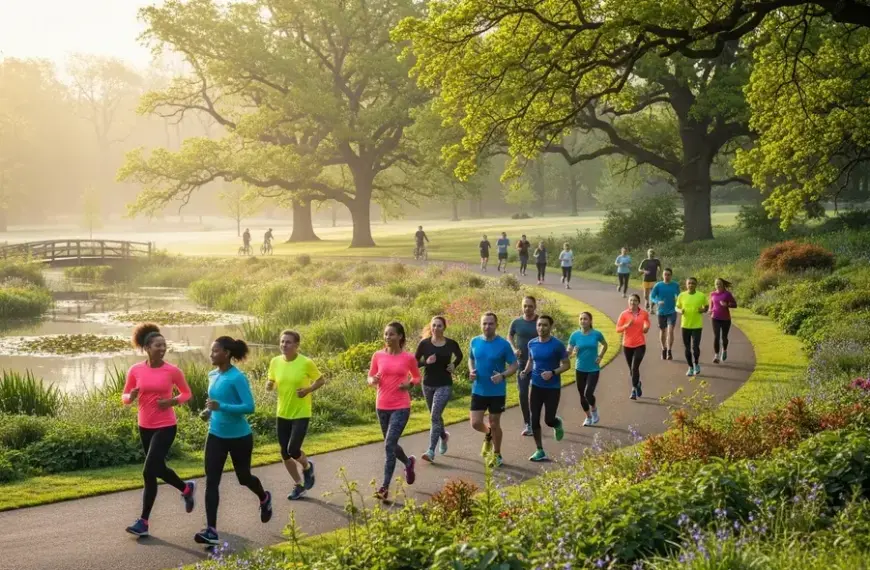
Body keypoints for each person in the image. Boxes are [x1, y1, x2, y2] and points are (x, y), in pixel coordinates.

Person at [195, 336, 272, 546]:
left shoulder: (237, 377)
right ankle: (211, 530)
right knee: (211, 481)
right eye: (211, 351)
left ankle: (264, 497)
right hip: (215, 435)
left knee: (244, 477)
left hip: (239, 437)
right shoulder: (212, 375)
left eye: (215, 351)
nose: (211, 354)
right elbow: (215, 404)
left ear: (227, 353)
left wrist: (222, 407)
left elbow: (249, 407)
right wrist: (208, 412)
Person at [123, 324, 195, 538]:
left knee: (148, 470)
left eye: (164, 345)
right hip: (144, 425)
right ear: (147, 347)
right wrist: (131, 397)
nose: (162, 348)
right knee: (156, 470)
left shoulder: (172, 371)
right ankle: (186, 488)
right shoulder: (135, 370)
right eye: (158, 345)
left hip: (166, 426)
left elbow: (187, 393)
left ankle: (143, 522)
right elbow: (125, 396)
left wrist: (172, 401)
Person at [266, 330, 325, 501]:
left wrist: (308, 390)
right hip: (282, 412)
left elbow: (320, 380)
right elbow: (272, 380)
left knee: (293, 450)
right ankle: (298, 485)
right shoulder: (275, 362)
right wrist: (270, 384)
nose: (284, 345)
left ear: (297, 345)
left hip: (301, 413)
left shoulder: (306, 362)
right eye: (282, 341)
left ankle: (307, 467)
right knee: (284, 453)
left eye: (288, 342)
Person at [367, 321, 421, 501]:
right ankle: (408, 462)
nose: (387, 337)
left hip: (401, 406)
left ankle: (384, 487)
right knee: (391, 445)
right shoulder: (378, 355)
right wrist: (372, 380)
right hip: (381, 405)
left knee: (389, 445)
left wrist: (410, 384)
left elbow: (417, 377)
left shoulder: (408, 358)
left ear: (400, 336)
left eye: (391, 334)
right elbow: (370, 376)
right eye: (385, 334)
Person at [469, 312, 518, 468]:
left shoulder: (503, 344)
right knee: (476, 423)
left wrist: (502, 376)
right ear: (481, 325)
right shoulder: (475, 341)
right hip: (478, 389)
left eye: (490, 323)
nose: (487, 326)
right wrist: (471, 370)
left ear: (496, 325)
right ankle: (488, 434)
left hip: (497, 391)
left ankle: (497, 455)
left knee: (495, 423)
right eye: (484, 323)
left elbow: (514, 365)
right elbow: (471, 358)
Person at [414, 316, 463, 463]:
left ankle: (430, 451)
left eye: (439, 326)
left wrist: (454, 365)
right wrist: (425, 362)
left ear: (444, 327)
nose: (436, 328)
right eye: (434, 325)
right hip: (427, 384)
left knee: (434, 416)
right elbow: (414, 363)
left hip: (444, 384)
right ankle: (443, 436)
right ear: (431, 327)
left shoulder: (451, 344)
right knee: (435, 416)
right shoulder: (424, 344)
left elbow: (459, 356)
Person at [524, 315, 571, 462]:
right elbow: (531, 360)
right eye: (539, 325)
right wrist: (525, 371)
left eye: (544, 325)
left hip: (552, 387)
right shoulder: (532, 343)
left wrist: (552, 373)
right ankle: (540, 450)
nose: (541, 328)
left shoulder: (557, 345)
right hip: (535, 386)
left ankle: (557, 423)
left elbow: (566, 365)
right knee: (534, 419)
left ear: (550, 327)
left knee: (548, 420)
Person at [568, 312, 608, 427]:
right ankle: (588, 417)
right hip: (580, 368)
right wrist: (573, 353)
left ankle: (594, 409)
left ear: (590, 321)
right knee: (582, 395)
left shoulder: (596, 334)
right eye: (581, 319)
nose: (582, 321)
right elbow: (569, 352)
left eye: (585, 319)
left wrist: (600, 356)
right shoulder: (574, 335)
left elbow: (604, 345)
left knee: (588, 393)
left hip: (593, 369)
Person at [509, 296, 539, 436]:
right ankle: (528, 423)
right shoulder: (516, 322)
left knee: (535, 395)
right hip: (521, 363)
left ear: (535, 307)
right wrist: (514, 348)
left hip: (538, 364)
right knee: (522, 394)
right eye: (525, 306)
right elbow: (509, 336)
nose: (527, 308)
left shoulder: (540, 321)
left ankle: (535, 421)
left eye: (530, 306)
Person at [616, 294, 650, 400]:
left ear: (638, 302)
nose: (632, 302)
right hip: (627, 345)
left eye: (635, 300)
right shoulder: (624, 314)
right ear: (628, 302)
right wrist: (626, 326)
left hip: (640, 344)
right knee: (632, 369)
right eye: (631, 300)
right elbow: (618, 329)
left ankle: (634, 389)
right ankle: (638, 384)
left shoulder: (643, 313)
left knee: (634, 367)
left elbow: (647, 322)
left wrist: (646, 327)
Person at [676, 277, 709, 377]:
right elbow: (677, 307)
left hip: (697, 326)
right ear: (686, 285)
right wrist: (680, 311)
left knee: (695, 347)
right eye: (689, 283)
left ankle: (696, 364)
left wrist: (703, 310)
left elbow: (706, 307)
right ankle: (690, 367)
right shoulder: (682, 295)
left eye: (693, 283)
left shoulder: (701, 295)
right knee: (687, 348)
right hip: (685, 325)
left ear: (696, 285)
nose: (691, 285)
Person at [650, 268, 681, 360]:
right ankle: (664, 348)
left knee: (670, 330)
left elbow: (680, 296)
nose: (666, 276)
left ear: (671, 275)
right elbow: (652, 297)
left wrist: (678, 302)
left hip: (672, 311)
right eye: (665, 274)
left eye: (668, 274)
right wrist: (657, 301)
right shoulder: (658, 285)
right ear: (662, 275)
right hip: (661, 312)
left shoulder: (675, 285)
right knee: (663, 331)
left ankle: (669, 351)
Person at [709, 278, 738, 364]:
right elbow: (711, 305)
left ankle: (724, 350)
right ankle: (716, 356)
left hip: (725, 319)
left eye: (719, 283)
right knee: (716, 337)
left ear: (723, 284)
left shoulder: (727, 294)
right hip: (715, 318)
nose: (718, 285)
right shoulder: (712, 294)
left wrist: (727, 304)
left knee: (724, 338)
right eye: (716, 283)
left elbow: (735, 304)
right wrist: (710, 310)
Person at [639, 249, 662, 314]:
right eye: (650, 253)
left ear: (654, 254)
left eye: (652, 253)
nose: (651, 254)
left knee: (653, 294)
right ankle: (647, 302)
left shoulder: (656, 261)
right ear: (647, 254)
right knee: (646, 295)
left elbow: (660, 268)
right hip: (646, 279)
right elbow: (639, 269)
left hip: (653, 280)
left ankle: (651, 309)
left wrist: (660, 274)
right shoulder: (645, 261)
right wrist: (644, 271)